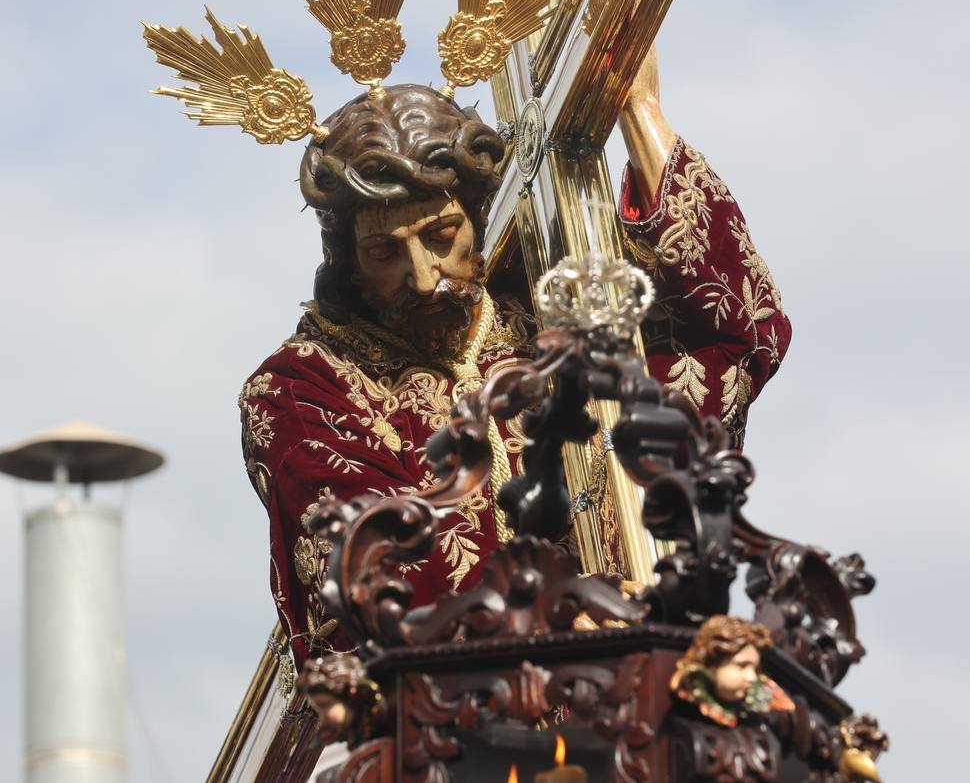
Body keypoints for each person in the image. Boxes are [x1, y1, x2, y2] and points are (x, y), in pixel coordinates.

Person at [238, 53, 792, 668]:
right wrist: (553, 615)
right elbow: (365, 576)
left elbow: (737, 328)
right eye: (383, 251)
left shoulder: (550, 312)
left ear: (478, 214)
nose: (423, 278)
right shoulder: (304, 386)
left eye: (442, 237)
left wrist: (640, 113)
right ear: (346, 256)